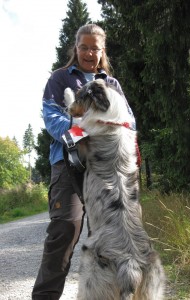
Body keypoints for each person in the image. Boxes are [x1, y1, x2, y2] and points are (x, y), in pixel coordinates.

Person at [32, 23, 136, 300]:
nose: (89, 53)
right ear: (75, 48)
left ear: (103, 52)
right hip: (68, 165)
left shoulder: (112, 84)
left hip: (107, 169)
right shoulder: (59, 78)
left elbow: (130, 121)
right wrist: (86, 127)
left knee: (106, 237)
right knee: (64, 229)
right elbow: (52, 120)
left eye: (95, 48)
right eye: (84, 47)